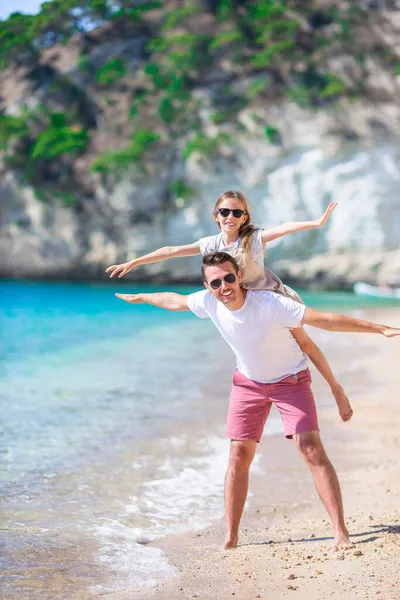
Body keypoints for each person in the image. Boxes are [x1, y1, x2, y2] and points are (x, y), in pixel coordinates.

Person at [115, 251, 400, 551]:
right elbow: (174, 300)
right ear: (206, 285)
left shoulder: (270, 304)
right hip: (248, 384)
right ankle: (231, 536)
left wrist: (377, 328)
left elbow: (324, 319)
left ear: (239, 276)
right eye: (215, 283)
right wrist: (143, 297)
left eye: (228, 278)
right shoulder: (209, 301)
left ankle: (340, 532)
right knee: (238, 455)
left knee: (311, 449)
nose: (223, 287)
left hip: (291, 381)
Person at [106, 191, 353, 422]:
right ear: (216, 215)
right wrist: (135, 262)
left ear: (245, 217)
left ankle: (336, 388)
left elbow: (282, 229)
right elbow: (171, 251)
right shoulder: (210, 244)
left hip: (269, 301)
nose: (230, 217)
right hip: (237, 304)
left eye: (237, 212)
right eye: (225, 212)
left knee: (305, 342)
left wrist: (315, 223)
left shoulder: (252, 239)